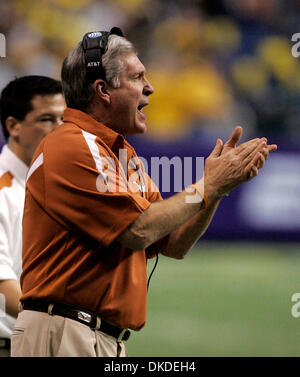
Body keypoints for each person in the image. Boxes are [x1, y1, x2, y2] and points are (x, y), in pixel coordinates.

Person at [11, 28, 277, 357]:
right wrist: (208, 185)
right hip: (63, 331)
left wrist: (217, 189)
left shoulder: (120, 154)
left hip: (95, 335)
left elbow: (174, 241)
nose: (150, 88)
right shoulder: (71, 145)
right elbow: (139, 230)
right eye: (138, 77)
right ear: (103, 90)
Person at [0, 75, 66, 357]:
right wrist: (66, 320)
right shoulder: (3, 191)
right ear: (13, 126)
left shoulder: (52, 185)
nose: (60, 129)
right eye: (47, 119)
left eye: (64, 119)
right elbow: (3, 290)